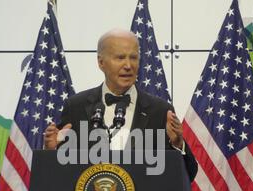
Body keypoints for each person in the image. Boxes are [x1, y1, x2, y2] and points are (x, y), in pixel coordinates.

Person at [44, 29, 197, 181]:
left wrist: (177, 144)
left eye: (134, 58)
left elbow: (187, 175)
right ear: (101, 62)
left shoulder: (160, 110)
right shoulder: (76, 107)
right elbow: (59, 177)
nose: (128, 65)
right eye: (120, 58)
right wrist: (51, 152)